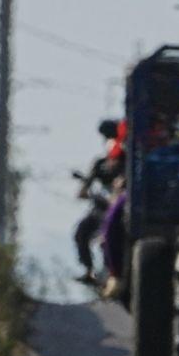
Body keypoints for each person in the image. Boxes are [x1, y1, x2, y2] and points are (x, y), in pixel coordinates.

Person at [72, 119, 122, 285]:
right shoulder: (99, 163)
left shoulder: (127, 162)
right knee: (81, 232)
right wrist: (86, 192)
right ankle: (89, 270)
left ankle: (111, 273)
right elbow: (83, 190)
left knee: (107, 239)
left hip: (116, 211)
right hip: (98, 209)